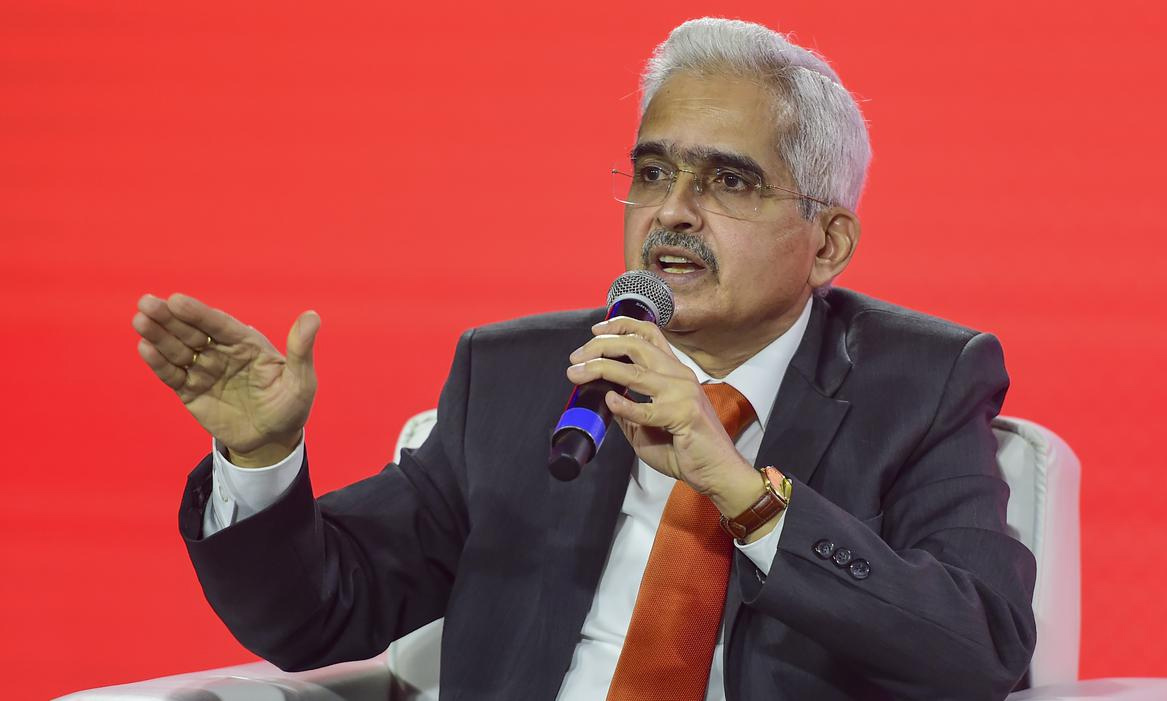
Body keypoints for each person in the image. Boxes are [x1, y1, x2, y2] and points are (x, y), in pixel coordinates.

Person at [132, 17, 1036, 701]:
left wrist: (742, 492)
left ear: (828, 242)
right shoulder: (522, 375)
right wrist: (261, 457)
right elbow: (323, 611)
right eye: (652, 173)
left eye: (727, 180)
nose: (671, 211)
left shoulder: (920, 384)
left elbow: (980, 649)